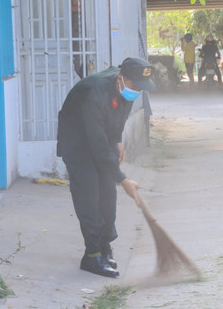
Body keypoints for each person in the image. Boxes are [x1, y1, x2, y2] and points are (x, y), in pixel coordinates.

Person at [56, 57, 157, 277]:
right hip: (77, 143)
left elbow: (117, 116)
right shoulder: (95, 95)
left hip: (99, 136)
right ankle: (91, 256)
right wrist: (123, 179)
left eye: (141, 88)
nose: (137, 91)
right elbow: (99, 147)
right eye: (134, 86)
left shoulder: (127, 87)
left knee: (107, 195)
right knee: (89, 196)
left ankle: (104, 246)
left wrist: (117, 140)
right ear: (121, 79)